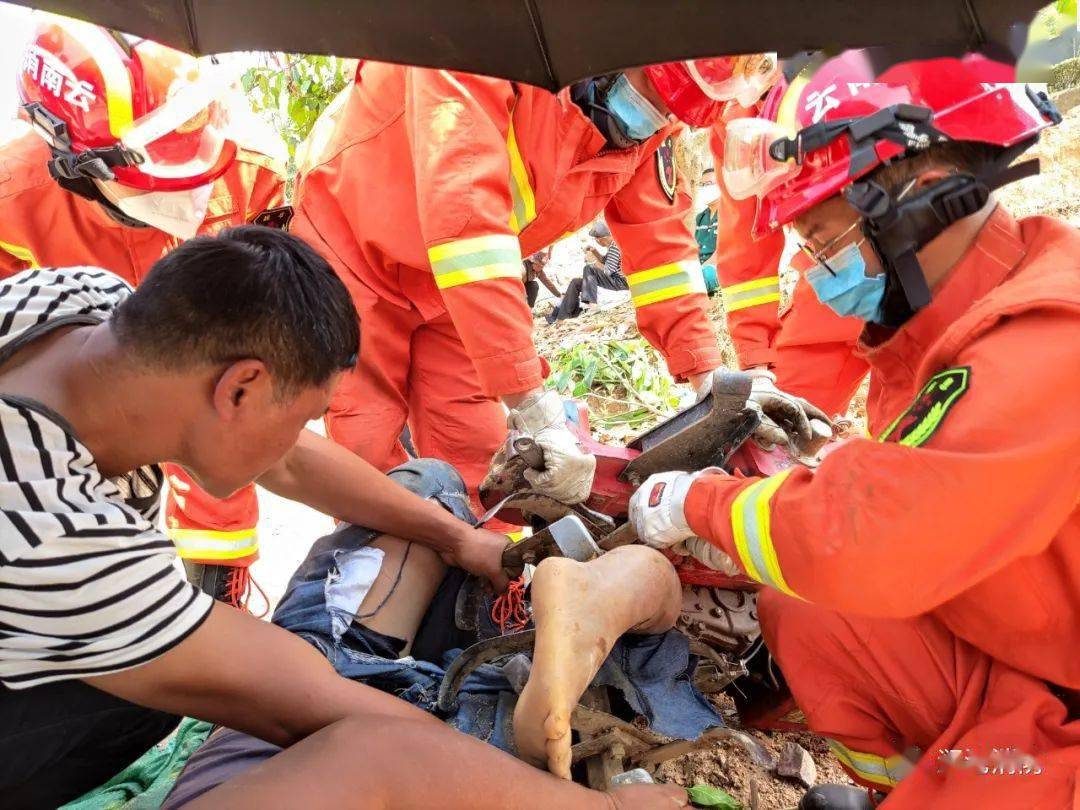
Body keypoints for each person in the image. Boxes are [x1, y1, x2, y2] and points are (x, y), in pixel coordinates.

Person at [0, 225, 685, 810]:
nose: (304, 432)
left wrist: (458, 538)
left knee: (429, 490)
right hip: (41, 723)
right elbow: (335, 728)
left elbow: (291, 462)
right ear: (240, 388)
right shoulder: (50, 534)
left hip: (71, 642)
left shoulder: (81, 307)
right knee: (372, 747)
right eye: (301, 413)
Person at [629, 51, 1079, 808]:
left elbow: (869, 536)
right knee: (812, 618)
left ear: (920, 203)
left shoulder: (1043, 339)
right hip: (1029, 640)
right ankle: (902, 786)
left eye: (824, 242)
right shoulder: (956, 318)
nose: (816, 272)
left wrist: (696, 503)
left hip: (1057, 683)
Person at [290, 54, 820, 517]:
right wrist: (531, 402)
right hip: (356, 255)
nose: (651, 118)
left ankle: (484, 600)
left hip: (459, 293)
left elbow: (662, 256)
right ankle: (369, 608)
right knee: (367, 455)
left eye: (668, 112)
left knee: (482, 466)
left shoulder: (648, 127)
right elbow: (467, 226)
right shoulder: (473, 51)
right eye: (650, 98)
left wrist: (713, 381)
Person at [0, 14, 290, 606]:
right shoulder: (12, 201)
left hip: (208, 379)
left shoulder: (250, 170)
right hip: (78, 406)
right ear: (69, 162)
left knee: (227, 441)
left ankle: (216, 593)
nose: (186, 203)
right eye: (149, 185)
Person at [709, 65, 866, 419]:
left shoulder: (859, 63)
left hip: (919, 259)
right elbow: (745, 247)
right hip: (834, 275)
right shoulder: (735, 118)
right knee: (785, 426)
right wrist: (755, 362)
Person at [546, 220, 628, 322]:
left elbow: (608, 270)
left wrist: (593, 262)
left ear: (602, 239)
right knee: (575, 282)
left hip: (620, 281)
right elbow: (605, 261)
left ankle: (592, 305)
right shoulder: (611, 246)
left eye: (597, 240)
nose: (597, 242)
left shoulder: (615, 246)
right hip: (613, 279)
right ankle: (562, 316)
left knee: (589, 268)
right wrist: (595, 251)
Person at [692, 167, 721, 295]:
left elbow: (722, 252)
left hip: (718, 267)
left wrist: (700, 271)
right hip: (699, 267)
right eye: (702, 185)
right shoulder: (700, 218)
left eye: (709, 184)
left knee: (704, 276)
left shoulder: (729, 214)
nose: (704, 188)